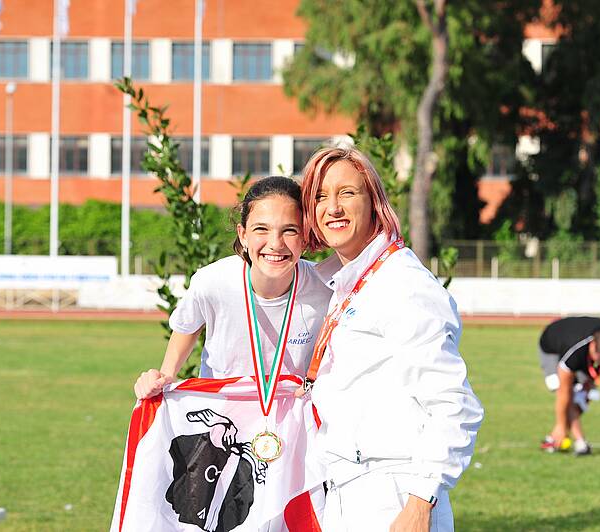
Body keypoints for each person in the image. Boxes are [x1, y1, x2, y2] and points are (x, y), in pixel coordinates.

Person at [298, 146, 484, 532]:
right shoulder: (343, 283)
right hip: (347, 489)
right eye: (320, 196)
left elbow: (454, 404)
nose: (333, 208)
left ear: (374, 202)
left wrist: (419, 504)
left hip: (394, 495)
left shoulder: (402, 283)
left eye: (347, 193)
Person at [134, 175, 332, 394]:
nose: (275, 244)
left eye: (290, 230)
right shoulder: (211, 281)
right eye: (261, 229)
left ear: (305, 238)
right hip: (222, 411)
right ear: (243, 235)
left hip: (293, 413)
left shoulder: (327, 287)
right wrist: (163, 377)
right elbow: (186, 328)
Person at [537, 316, 600, 456]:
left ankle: (554, 439)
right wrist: (560, 425)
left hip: (580, 344)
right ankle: (579, 442)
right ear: (593, 346)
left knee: (583, 396)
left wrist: (591, 380)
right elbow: (564, 392)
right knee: (564, 390)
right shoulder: (574, 353)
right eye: (599, 360)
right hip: (551, 346)